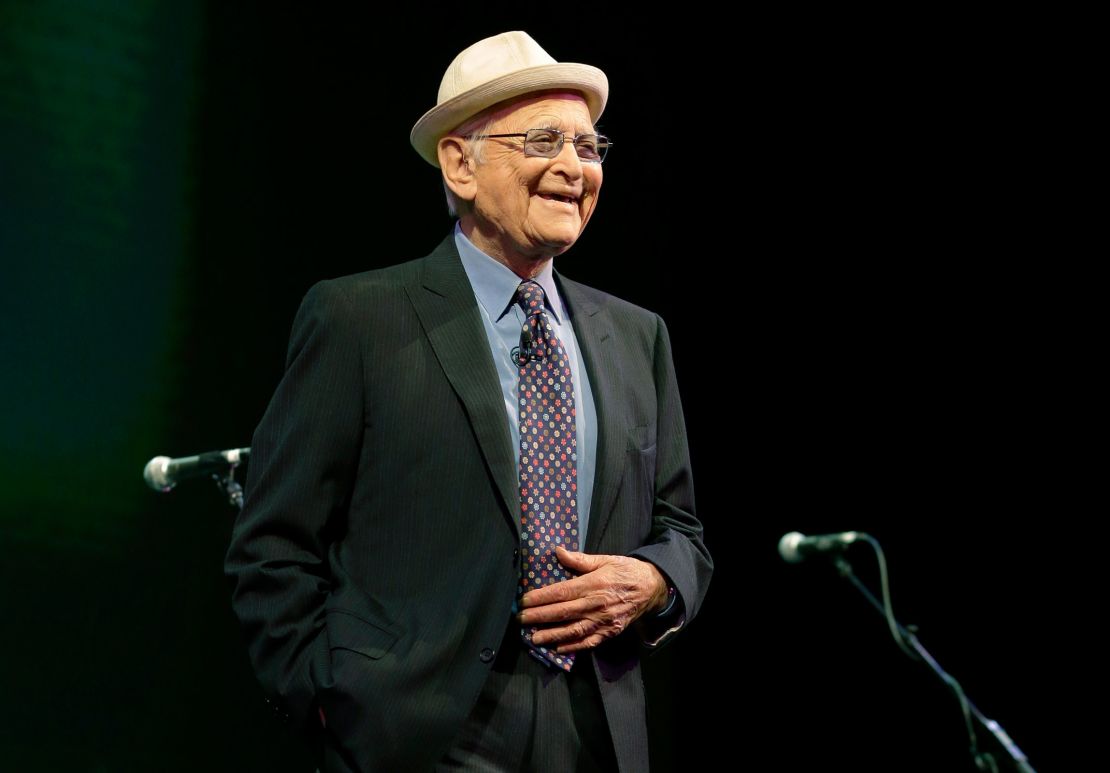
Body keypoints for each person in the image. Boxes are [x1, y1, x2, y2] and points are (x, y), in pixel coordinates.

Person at [225, 30, 712, 772]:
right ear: (460, 163)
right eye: (544, 139)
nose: (573, 167)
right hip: (417, 735)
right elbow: (273, 545)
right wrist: (330, 697)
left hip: (598, 737)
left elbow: (682, 530)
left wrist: (653, 582)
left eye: (588, 146)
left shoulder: (638, 337)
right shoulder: (359, 319)